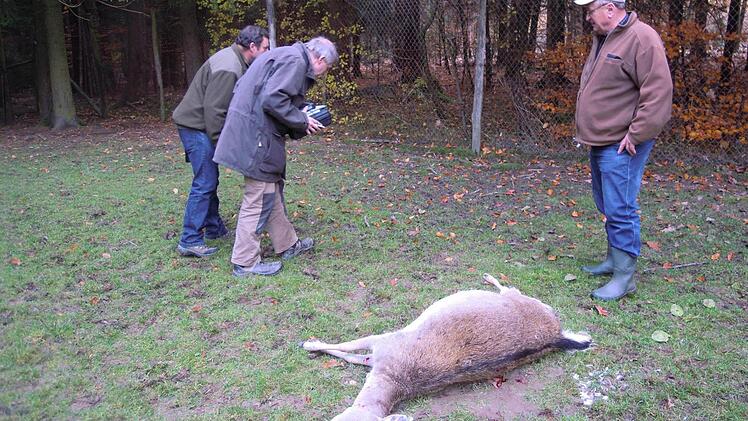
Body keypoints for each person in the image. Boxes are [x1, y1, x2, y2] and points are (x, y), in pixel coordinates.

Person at [213, 37, 338, 276]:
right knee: (258, 196)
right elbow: (273, 99)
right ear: (320, 59)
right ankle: (245, 261)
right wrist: (302, 119)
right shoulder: (295, 61)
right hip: (256, 137)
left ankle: (287, 244)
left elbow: (265, 93)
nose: (323, 74)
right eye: (327, 68)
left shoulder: (286, 55)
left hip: (255, 132)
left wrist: (299, 113)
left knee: (270, 190)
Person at [573, 0, 673, 300]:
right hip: (602, 139)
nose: (588, 17)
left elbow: (658, 91)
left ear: (609, 8)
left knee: (621, 207)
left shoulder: (642, 38)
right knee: (607, 202)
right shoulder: (605, 38)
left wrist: (637, 133)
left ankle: (624, 277)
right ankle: (613, 260)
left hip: (622, 142)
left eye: (590, 11)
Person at [172, 26, 270, 258]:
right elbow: (215, 112)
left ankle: (214, 228)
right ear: (253, 47)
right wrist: (222, 147)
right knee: (205, 181)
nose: (268, 52)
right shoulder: (229, 67)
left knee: (209, 178)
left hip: (199, 126)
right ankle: (190, 239)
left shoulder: (235, 60)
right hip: (196, 127)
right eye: (265, 48)